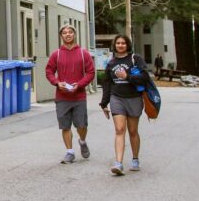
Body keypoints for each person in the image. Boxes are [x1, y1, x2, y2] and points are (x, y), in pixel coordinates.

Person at [45, 25, 96, 164]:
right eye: (64, 33)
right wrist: (56, 82)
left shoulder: (83, 53)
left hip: (79, 96)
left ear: (75, 34)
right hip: (62, 97)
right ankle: (70, 152)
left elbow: (91, 72)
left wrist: (79, 84)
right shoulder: (57, 54)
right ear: (61, 36)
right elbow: (49, 71)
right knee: (65, 126)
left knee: (81, 126)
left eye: (70, 32)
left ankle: (82, 141)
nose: (67, 35)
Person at [100, 35, 146, 175]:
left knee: (132, 130)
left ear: (127, 45)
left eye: (123, 43)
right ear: (115, 45)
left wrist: (127, 77)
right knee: (120, 130)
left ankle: (135, 159)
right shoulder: (111, 62)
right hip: (117, 98)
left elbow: (144, 77)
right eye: (118, 43)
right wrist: (104, 103)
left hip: (134, 98)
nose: (120, 45)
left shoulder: (135, 59)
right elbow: (107, 84)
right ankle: (118, 163)